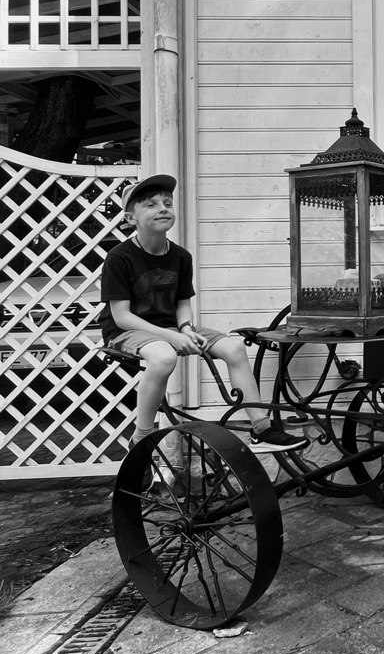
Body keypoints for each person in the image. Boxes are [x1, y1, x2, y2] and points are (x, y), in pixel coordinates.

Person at [99, 174, 303, 488]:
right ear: (130, 218)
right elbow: (122, 316)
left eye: (167, 203)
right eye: (151, 205)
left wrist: (185, 328)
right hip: (127, 330)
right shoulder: (119, 258)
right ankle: (141, 439)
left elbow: (183, 304)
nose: (162, 208)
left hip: (171, 326)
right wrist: (173, 336)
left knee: (234, 347)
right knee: (164, 357)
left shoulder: (181, 256)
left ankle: (261, 427)